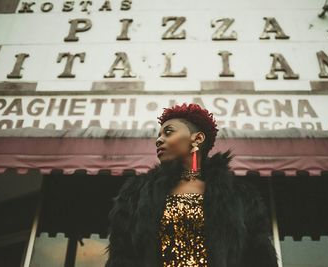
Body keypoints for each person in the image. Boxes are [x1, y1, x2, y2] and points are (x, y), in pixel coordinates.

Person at [104, 103, 279, 267]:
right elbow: (122, 258)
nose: (159, 140)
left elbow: (259, 257)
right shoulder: (135, 195)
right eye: (159, 135)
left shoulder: (241, 196)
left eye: (168, 132)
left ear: (198, 138)